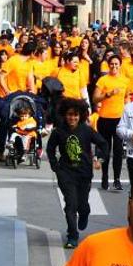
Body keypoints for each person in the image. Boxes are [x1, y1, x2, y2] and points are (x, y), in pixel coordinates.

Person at [46, 98, 109, 248]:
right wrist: (56, 167)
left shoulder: (86, 130)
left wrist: (99, 159)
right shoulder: (58, 131)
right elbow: (50, 149)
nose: (72, 118)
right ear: (64, 115)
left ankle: (85, 212)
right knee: (70, 204)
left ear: (81, 115)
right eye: (69, 115)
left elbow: (103, 143)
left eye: (75, 115)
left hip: (84, 173)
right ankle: (72, 236)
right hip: (66, 174)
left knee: (82, 205)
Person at [92, 55, 129, 191]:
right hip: (105, 118)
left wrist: (128, 113)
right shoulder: (103, 80)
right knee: (105, 149)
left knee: (118, 150)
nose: (114, 66)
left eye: (116, 64)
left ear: (120, 65)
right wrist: (107, 95)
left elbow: (127, 98)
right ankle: (105, 177)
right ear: (108, 65)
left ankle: (117, 179)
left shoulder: (125, 80)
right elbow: (95, 99)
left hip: (119, 120)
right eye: (112, 64)